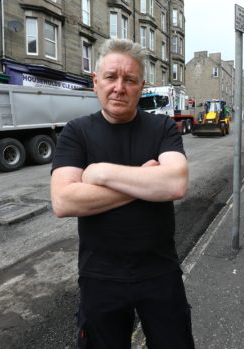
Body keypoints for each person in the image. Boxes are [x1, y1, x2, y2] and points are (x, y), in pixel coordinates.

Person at [50, 38, 194, 349]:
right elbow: (64, 200)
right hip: (100, 276)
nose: (119, 87)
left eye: (129, 79)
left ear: (141, 85)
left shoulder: (163, 128)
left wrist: (101, 173)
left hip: (159, 271)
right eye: (111, 77)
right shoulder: (76, 132)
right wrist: (145, 182)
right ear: (95, 82)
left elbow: (175, 184)